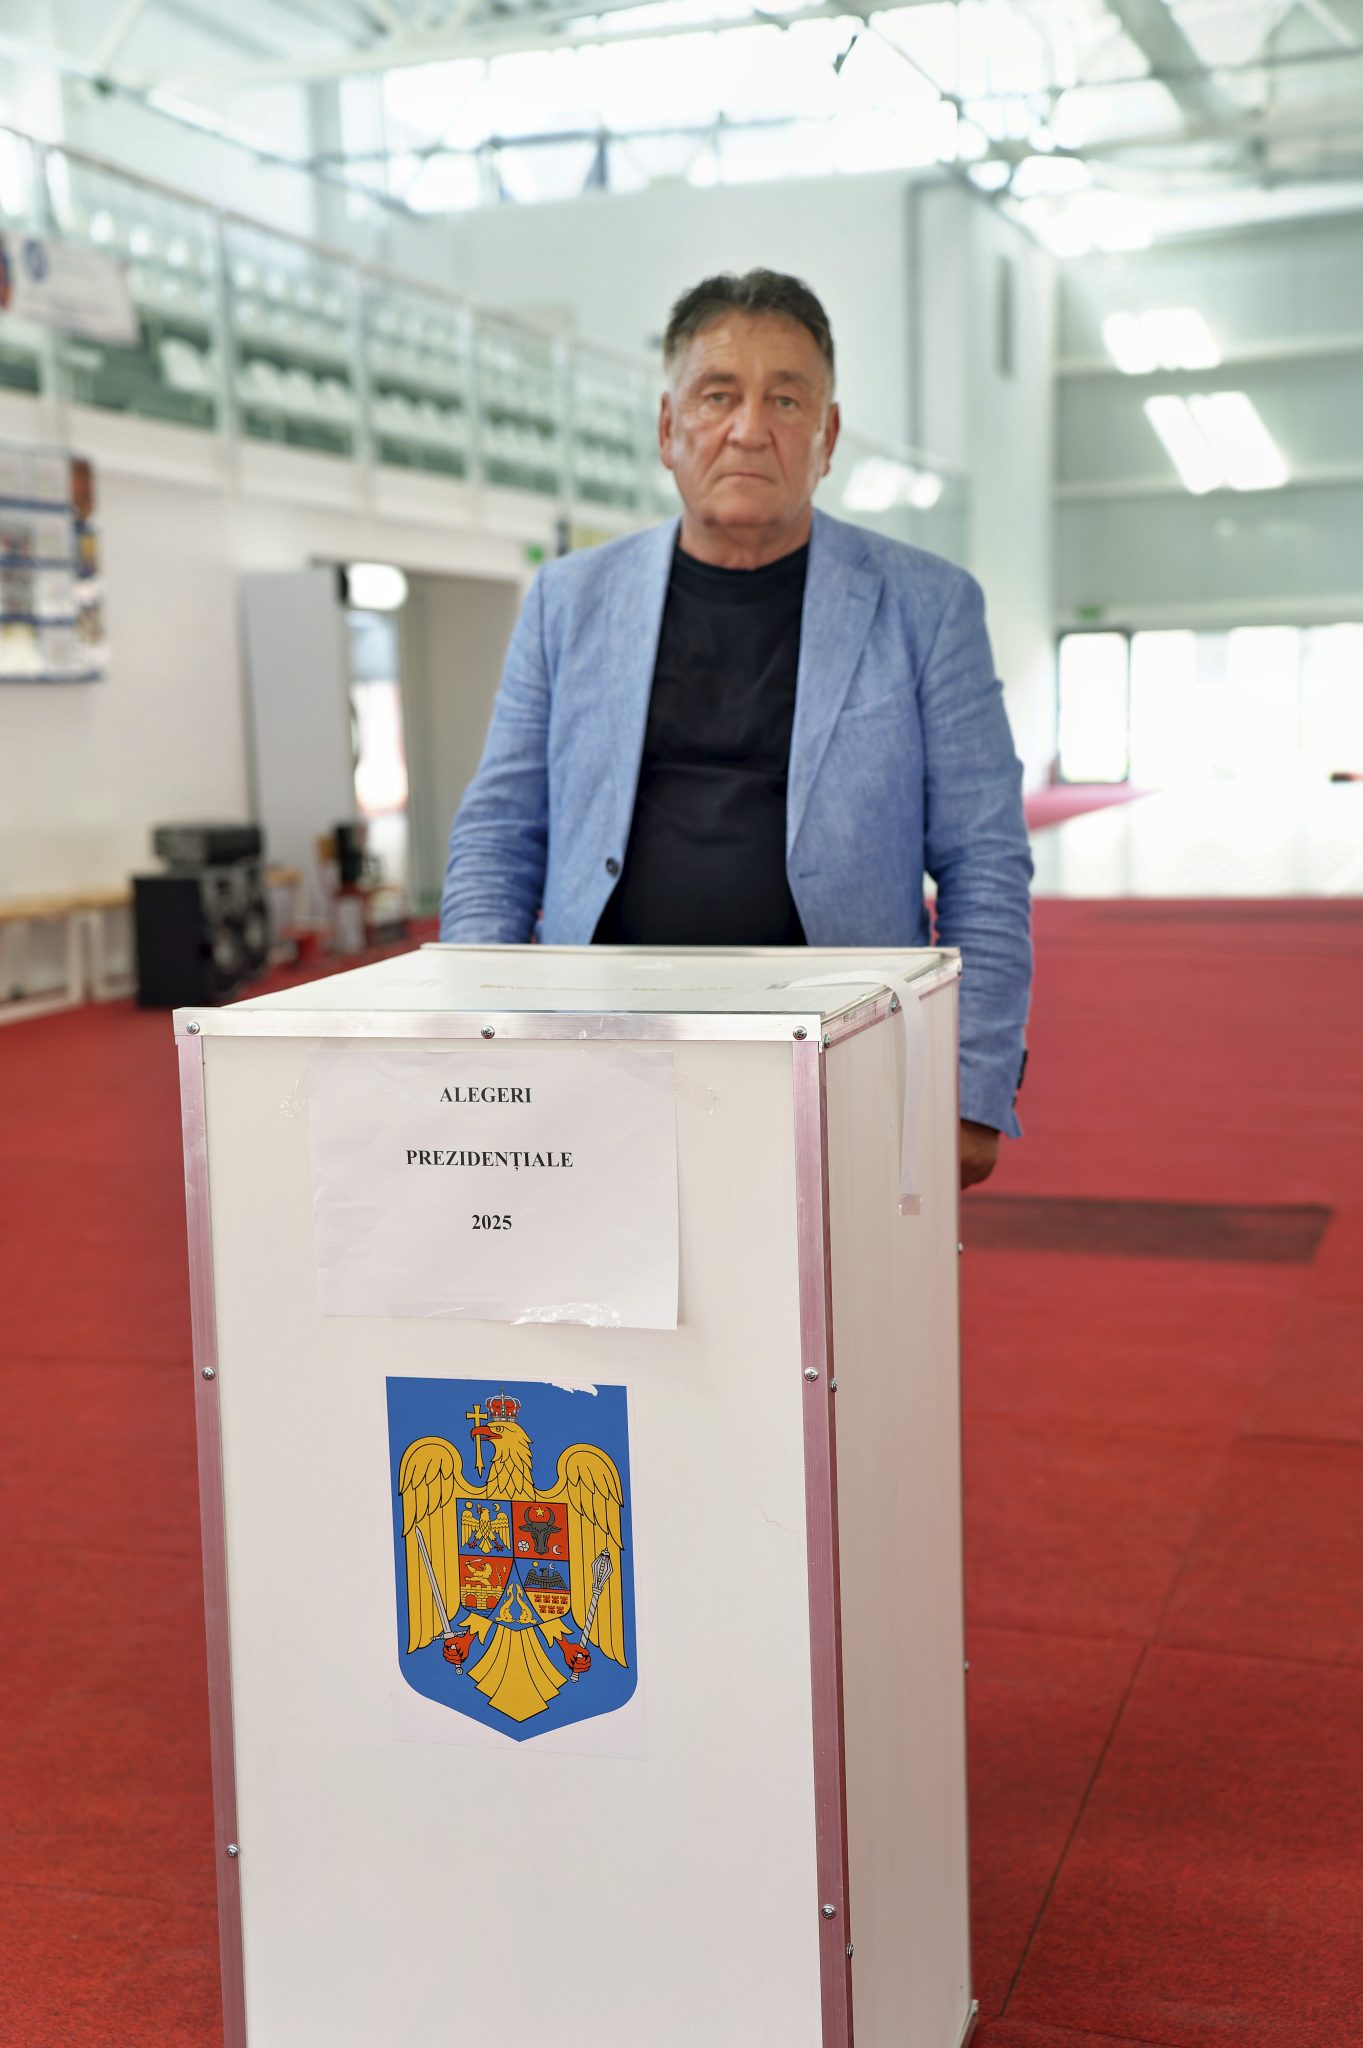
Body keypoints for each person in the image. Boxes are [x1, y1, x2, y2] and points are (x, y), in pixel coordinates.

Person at [441, 269, 1032, 1187]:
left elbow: (983, 859)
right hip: (595, 1052)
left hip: (837, 1059)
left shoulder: (927, 606)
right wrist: (473, 1033)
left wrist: (971, 1083)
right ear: (666, 428)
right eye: (717, 396)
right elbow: (498, 832)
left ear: (827, 436)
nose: (750, 428)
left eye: (785, 400)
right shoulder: (568, 600)